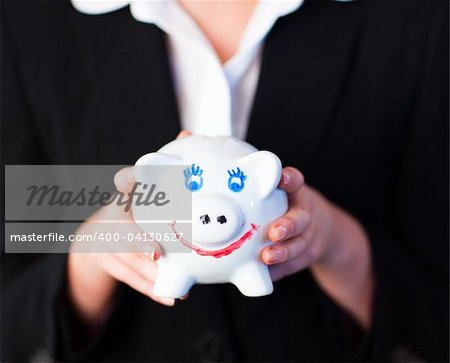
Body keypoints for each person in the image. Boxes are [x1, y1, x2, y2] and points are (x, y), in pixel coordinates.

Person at [1, 0, 448, 362]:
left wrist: (335, 244)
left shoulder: (413, 18)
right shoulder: (30, 21)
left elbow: (437, 308)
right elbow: (11, 299)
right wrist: (88, 259)